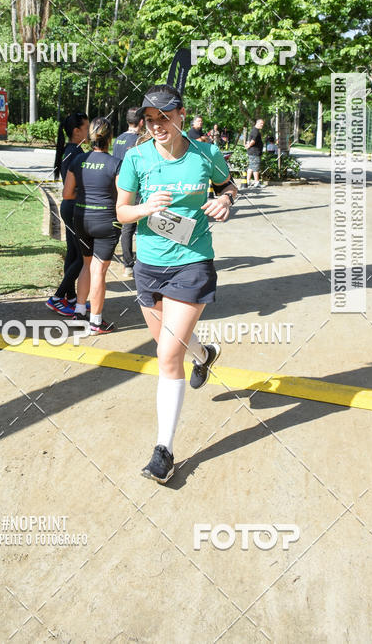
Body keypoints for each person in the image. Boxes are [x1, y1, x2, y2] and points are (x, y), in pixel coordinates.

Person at [116, 84, 237, 484]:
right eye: (149, 120)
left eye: (164, 118)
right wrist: (144, 208)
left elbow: (228, 186)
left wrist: (225, 201)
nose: (156, 126)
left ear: (182, 114)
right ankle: (204, 354)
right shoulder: (136, 157)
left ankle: (163, 451)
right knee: (175, 345)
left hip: (192, 263)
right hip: (149, 267)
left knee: (167, 355)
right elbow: (121, 210)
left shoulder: (206, 153)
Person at [62, 117, 121, 334]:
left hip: (81, 218)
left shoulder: (78, 160)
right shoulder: (116, 163)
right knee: (99, 271)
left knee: (87, 265)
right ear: (110, 138)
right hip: (106, 220)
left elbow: (67, 194)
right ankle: (96, 321)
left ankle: (79, 312)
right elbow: (122, 198)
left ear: (91, 137)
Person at [47, 111, 89, 316]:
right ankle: (57, 298)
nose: (89, 132)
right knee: (82, 257)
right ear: (76, 131)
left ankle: (70, 297)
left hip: (69, 206)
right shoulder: (77, 153)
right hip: (74, 208)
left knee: (73, 253)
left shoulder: (70, 150)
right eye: (86, 128)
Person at [112, 107, 145, 279]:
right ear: (142, 122)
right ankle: (145, 262)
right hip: (137, 188)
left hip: (120, 187)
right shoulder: (141, 140)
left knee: (127, 228)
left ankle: (128, 265)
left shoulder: (118, 139)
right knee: (144, 225)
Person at [246, 118, 265, 187]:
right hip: (255, 152)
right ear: (257, 123)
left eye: (263, 124)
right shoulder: (256, 131)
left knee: (251, 167)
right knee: (256, 167)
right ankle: (257, 182)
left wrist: (248, 145)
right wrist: (249, 145)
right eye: (261, 123)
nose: (262, 125)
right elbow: (253, 141)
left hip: (252, 152)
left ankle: (247, 181)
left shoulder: (253, 130)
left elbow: (249, 140)